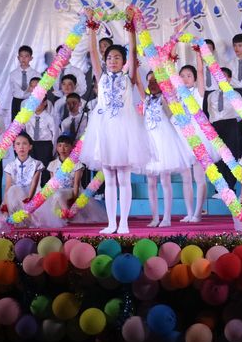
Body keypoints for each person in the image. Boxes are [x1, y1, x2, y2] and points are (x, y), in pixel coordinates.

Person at [80, 21, 152, 234]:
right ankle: (111, 223)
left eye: (117, 57)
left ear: (124, 61)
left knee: (123, 179)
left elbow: (134, 51)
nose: (112, 61)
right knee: (109, 179)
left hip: (124, 131)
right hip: (104, 131)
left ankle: (124, 223)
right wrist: (92, 29)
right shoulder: (100, 76)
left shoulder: (129, 77)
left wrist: (131, 31)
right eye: (109, 57)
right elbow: (93, 51)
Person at [141, 71, 195, 228]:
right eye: (149, 81)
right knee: (151, 183)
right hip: (149, 142)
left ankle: (166, 218)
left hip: (163, 143)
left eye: (155, 81)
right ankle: (154, 217)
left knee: (165, 181)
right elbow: (137, 83)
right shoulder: (146, 100)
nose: (152, 84)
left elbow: (171, 112)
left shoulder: (166, 98)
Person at [177, 64, 216, 221]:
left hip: (198, 136)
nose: (185, 79)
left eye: (189, 76)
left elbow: (200, 71)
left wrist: (199, 56)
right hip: (181, 136)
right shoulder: (177, 94)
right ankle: (189, 212)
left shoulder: (198, 92)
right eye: (182, 76)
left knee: (199, 178)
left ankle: (198, 213)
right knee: (186, 179)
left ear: (194, 79)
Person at [3, 133, 61, 228]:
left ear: (30, 147)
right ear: (14, 147)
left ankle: (29, 218)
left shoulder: (37, 163)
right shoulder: (10, 166)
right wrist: (4, 205)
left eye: (24, 143)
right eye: (18, 144)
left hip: (33, 196)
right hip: (16, 196)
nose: (21, 147)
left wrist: (29, 202)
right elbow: (7, 188)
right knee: (13, 189)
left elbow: (34, 183)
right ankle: (17, 217)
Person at [46, 134, 105, 223]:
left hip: (72, 191)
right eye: (60, 146)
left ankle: (67, 215)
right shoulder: (52, 164)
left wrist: (74, 199)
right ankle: (63, 215)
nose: (62, 149)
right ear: (57, 148)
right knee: (55, 196)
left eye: (66, 146)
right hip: (57, 191)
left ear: (71, 148)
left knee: (58, 194)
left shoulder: (77, 164)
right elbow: (52, 184)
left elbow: (76, 184)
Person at [207, 67, 241, 191]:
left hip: (230, 125)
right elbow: (209, 112)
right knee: (217, 156)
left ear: (229, 79)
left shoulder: (235, 94)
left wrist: (232, 124)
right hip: (216, 126)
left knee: (230, 155)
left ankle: (231, 185)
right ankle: (220, 187)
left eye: (224, 76)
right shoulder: (211, 95)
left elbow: (241, 113)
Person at [24, 94, 57, 184]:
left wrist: (53, 151)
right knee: (31, 167)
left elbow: (55, 135)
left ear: (45, 103)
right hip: (31, 144)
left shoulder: (50, 118)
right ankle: (32, 188)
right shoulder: (28, 117)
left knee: (45, 168)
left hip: (45, 145)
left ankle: (44, 189)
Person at [9, 45, 40, 120]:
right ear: (18, 58)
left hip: (30, 101)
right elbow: (12, 89)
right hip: (16, 101)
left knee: (29, 122)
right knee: (15, 122)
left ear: (31, 58)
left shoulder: (36, 74)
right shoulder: (13, 74)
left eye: (26, 56)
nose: (23, 59)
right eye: (21, 56)